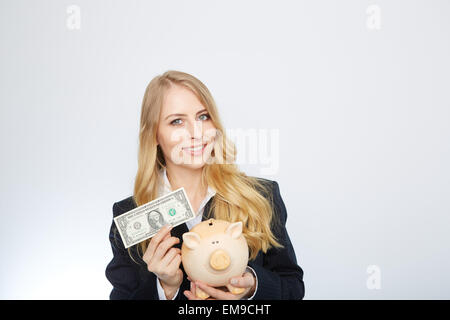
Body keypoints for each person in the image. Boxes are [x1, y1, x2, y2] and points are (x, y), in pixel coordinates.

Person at [105, 70, 305, 300]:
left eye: (203, 116)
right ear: (154, 135)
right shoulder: (131, 217)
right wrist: (165, 289)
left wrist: (253, 287)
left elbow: (292, 288)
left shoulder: (260, 196)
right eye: (177, 121)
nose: (196, 132)